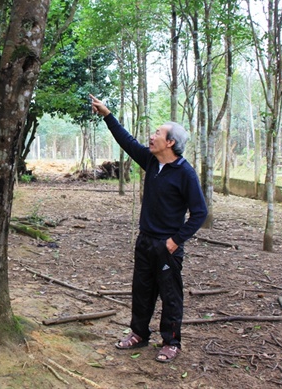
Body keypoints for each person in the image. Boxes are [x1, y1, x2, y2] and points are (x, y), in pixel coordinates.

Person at [90, 94, 208, 363]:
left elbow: (200, 212)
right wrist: (108, 115)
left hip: (167, 245)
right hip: (145, 241)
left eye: (158, 133)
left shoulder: (185, 173)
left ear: (171, 142)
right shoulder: (152, 162)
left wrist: (176, 240)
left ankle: (171, 341)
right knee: (141, 290)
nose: (152, 136)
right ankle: (139, 334)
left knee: (170, 295)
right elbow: (126, 141)